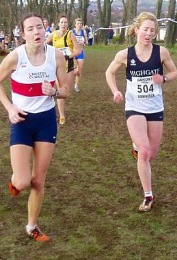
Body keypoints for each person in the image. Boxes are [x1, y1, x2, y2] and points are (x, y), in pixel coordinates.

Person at [0, 13, 70, 241]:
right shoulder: (14, 57)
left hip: (46, 121)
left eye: (39, 27)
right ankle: (14, 182)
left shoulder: (56, 56)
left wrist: (55, 92)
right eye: (30, 29)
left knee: (38, 180)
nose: (36, 32)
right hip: (22, 121)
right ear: (23, 33)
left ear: (45, 29)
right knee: (22, 181)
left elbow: (66, 91)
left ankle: (32, 226)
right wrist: (10, 108)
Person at [105, 12, 177, 212]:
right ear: (136, 29)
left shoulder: (161, 53)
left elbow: (174, 72)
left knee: (150, 154)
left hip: (155, 108)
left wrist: (163, 79)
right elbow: (109, 73)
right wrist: (116, 91)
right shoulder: (125, 55)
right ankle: (148, 195)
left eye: (152, 30)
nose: (148, 33)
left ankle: (138, 149)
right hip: (134, 107)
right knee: (144, 152)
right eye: (145, 29)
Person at [45, 14, 81, 125]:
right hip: (56, 66)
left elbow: (78, 51)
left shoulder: (71, 35)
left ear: (68, 24)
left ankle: (59, 110)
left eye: (65, 22)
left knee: (66, 91)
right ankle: (61, 116)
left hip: (69, 65)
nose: (63, 24)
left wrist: (67, 56)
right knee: (60, 90)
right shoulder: (53, 34)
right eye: (61, 22)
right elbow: (43, 44)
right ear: (58, 24)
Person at [73, 18, 88, 92]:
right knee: (73, 71)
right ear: (75, 24)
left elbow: (87, 43)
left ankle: (76, 85)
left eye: (80, 24)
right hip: (73, 52)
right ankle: (69, 79)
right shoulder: (71, 32)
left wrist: (84, 43)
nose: (79, 25)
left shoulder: (84, 32)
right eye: (78, 23)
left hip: (80, 52)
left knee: (79, 71)